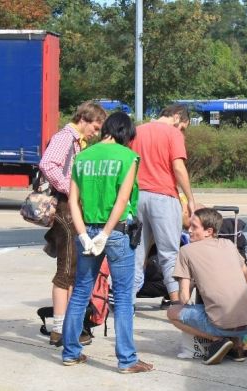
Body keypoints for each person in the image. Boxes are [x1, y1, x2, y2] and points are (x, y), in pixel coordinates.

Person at [62, 112, 153, 373]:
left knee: (80, 290)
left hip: (86, 231)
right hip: (116, 233)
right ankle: (127, 360)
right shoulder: (128, 158)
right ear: (125, 132)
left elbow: (73, 202)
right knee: (123, 296)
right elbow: (122, 202)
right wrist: (105, 234)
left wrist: (83, 235)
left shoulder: (82, 156)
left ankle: (70, 352)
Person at [39, 101, 106, 346]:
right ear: (84, 119)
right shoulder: (66, 137)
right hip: (65, 208)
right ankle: (60, 330)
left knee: (73, 269)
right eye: (95, 127)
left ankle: (68, 325)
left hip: (70, 208)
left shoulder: (75, 140)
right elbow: (47, 164)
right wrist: (71, 189)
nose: (96, 133)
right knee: (66, 270)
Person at [167, 208, 247, 365]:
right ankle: (238, 347)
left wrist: (194, 281)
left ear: (208, 231)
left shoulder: (186, 251)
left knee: (172, 312)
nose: (189, 230)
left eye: (194, 227)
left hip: (223, 324)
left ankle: (218, 340)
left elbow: (184, 298)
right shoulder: (229, 244)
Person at [131, 104, 196, 304]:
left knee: (136, 253)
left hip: (137, 197)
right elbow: (178, 167)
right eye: (183, 126)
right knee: (169, 253)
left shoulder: (137, 131)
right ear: (177, 117)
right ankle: (177, 303)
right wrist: (190, 198)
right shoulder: (173, 134)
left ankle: (127, 302)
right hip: (164, 197)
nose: (182, 131)